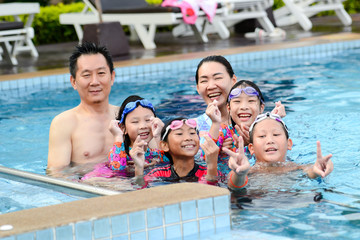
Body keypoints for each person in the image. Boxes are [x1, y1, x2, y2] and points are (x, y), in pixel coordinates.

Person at [47, 42, 118, 174]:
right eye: (86, 75)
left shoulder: (127, 116)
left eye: (101, 73)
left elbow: (156, 160)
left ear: (112, 77)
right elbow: (57, 175)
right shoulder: (64, 123)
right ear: (74, 81)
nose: (95, 81)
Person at [132, 118, 247, 189]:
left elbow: (212, 197)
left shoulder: (210, 171)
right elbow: (140, 191)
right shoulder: (158, 173)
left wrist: (212, 165)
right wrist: (139, 167)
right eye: (179, 134)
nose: (188, 138)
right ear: (164, 146)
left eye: (192, 133)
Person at [228, 112, 333, 186]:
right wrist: (239, 174)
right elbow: (234, 185)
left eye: (276, 134)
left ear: (289, 144)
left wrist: (320, 168)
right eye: (262, 136)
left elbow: (312, 171)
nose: (270, 140)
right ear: (251, 148)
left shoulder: (297, 169)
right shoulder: (247, 172)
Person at [204, 80, 285, 173]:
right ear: (228, 108)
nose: (244, 107)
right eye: (237, 101)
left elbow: (276, 158)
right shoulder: (225, 133)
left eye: (251, 101)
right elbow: (205, 157)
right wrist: (215, 122)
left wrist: (275, 119)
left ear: (261, 108)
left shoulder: (268, 134)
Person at [81, 95, 169, 180]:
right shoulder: (122, 155)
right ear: (123, 128)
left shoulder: (153, 153)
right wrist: (118, 136)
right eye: (135, 122)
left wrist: (158, 136)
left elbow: (169, 161)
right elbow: (117, 170)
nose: (143, 126)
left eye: (148, 120)